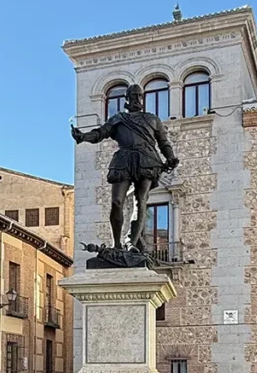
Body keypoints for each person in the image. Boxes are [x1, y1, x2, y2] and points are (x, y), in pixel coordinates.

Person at [71, 84, 179, 252]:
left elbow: (163, 142)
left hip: (147, 160)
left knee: (140, 201)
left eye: (139, 96)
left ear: (142, 99)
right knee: (117, 201)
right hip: (123, 160)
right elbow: (100, 133)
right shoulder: (118, 118)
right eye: (133, 96)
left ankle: (131, 242)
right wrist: (83, 137)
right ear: (127, 99)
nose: (136, 99)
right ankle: (117, 244)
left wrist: (170, 157)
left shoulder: (152, 119)